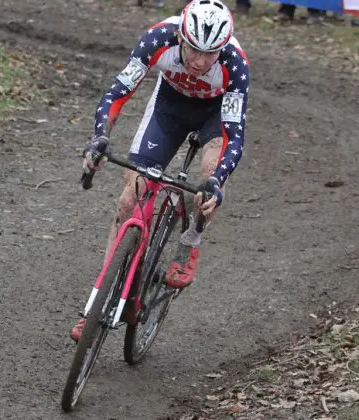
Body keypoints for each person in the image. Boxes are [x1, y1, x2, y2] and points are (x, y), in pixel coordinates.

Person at [71, 0, 251, 342]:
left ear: (223, 49)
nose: (199, 61)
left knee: (209, 177)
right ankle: (98, 302)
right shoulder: (157, 40)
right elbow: (117, 94)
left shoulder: (235, 65)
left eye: (210, 54)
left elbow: (234, 136)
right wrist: (100, 137)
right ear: (180, 37)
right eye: (193, 50)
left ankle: (189, 243)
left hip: (214, 117)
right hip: (169, 107)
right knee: (129, 200)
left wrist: (215, 181)